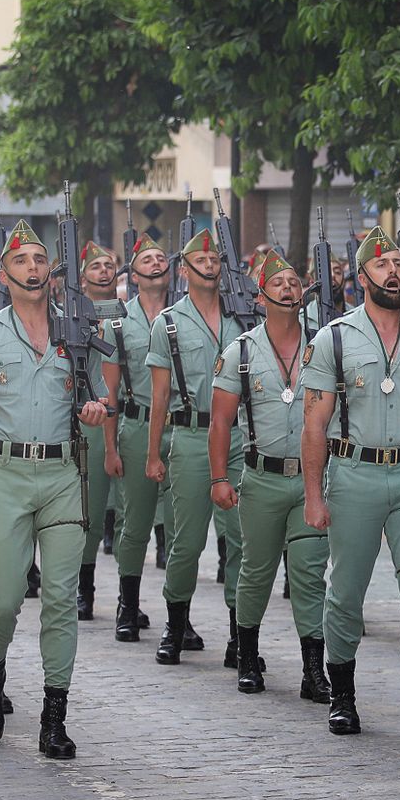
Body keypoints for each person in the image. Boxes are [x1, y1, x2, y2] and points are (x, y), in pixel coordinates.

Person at [300, 225, 400, 743]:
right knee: (347, 591)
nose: (393, 272)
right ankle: (344, 698)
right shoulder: (335, 337)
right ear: (360, 276)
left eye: (398, 263)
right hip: (354, 475)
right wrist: (313, 495)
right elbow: (314, 424)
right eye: (381, 265)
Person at [0, 219, 109, 759]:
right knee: (3, 600)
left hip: (65, 477)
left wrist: (94, 411)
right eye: (21, 261)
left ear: (52, 271)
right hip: (6, 477)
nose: (33, 269)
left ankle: (53, 715)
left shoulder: (77, 332)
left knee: (62, 599)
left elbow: (99, 400)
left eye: (40, 260)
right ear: (4, 274)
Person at [208, 251, 331, 698]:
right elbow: (220, 421)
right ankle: (246, 657)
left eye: (295, 281)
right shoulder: (240, 352)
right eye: (277, 282)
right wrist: (219, 478)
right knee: (255, 572)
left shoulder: (323, 345)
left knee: (308, 573)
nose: (288, 287)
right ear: (261, 297)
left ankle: (313, 671)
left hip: (311, 480)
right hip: (260, 478)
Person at [144, 228, 248, 666]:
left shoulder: (241, 322)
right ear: (183, 270)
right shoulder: (167, 322)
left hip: (239, 439)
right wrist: (152, 453)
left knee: (242, 542)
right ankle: (175, 623)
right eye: (200, 261)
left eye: (215, 260)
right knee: (186, 543)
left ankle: (240, 635)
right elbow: (159, 395)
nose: (209, 266)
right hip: (188, 437)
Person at [100, 236, 172, 643]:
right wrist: (110, 448)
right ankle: (128, 605)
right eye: (147, 259)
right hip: (135, 424)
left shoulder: (185, 315)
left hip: (178, 429)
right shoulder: (118, 322)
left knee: (179, 528)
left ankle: (180, 614)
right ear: (134, 273)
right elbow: (109, 392)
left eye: (162, 257)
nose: (157, 263)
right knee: (135, 523)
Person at [71, 242, 124, 620]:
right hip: (91, 420)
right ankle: (83, 590)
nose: (104, 272)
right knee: (87, 512)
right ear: (82, 277)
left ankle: (128, 597)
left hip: (133, 422)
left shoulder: (131, 315)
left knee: (127, 516)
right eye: (96, 267)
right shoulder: (71, 317)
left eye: (109, 266)